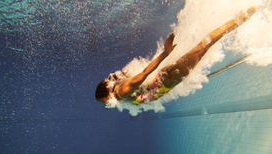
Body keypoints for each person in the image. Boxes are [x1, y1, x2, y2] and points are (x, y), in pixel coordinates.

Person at [96, 7, 257, 108]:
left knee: (204, 46)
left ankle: (240, 18)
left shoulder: (121, 91)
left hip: (170, 76)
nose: (107, 106)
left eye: (105, 102)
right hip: (168, 78)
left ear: (107, 94)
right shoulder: (121, 94)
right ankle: (237, 19)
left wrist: (166, 53)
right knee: (203, 47)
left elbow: (144, 74)